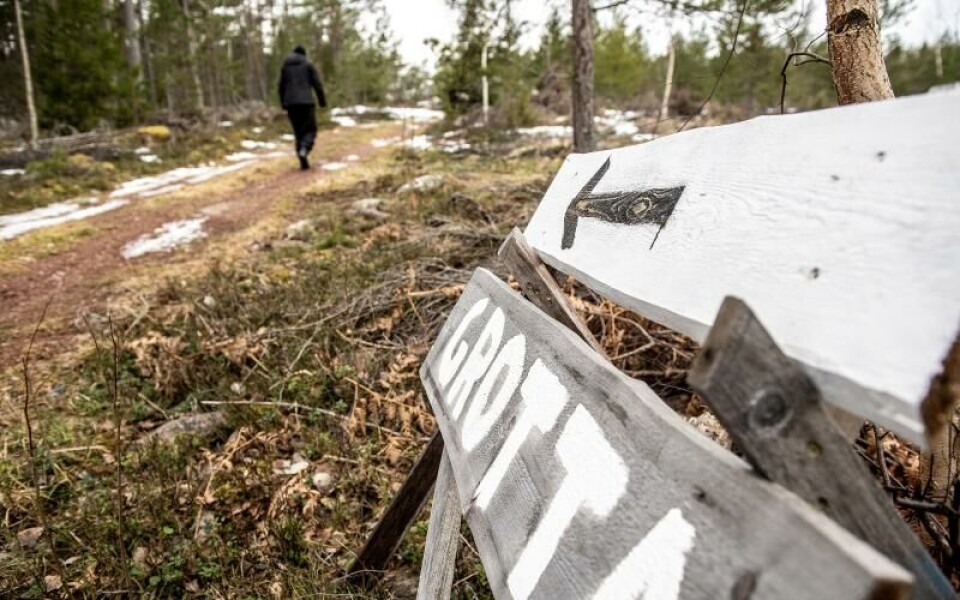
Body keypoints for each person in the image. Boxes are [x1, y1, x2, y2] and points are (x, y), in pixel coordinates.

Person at [278, 45, 327, 170]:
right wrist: (322, 101)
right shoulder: (307, 64)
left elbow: (281, 86)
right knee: (311, 130)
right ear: (304, 54)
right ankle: (304, 149)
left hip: (291, 104)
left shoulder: (285, 67)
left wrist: (283, 103)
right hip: (306, 103)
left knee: (298, 132)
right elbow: (317, 84)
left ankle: (302, 161)